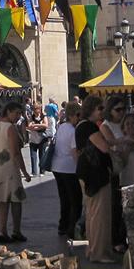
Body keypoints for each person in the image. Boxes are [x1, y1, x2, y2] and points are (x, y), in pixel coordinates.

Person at [0, 100, 30, 244]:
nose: (18, 116)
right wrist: (25, 172)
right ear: (8, 112)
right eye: (16, 113)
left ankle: (2, 231)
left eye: (20, 113)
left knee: (3, 199)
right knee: (16, 199)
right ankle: (16, 230)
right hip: (8, 165)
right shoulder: (10, 128)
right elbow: (15, 152)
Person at [75, 95, 116, 263]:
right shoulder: (88, 127)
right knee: (99, 216)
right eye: (99, 108)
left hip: (88, 174)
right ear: (91, 109)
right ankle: (100, 253)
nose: (102, 112)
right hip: (95, 175)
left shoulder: (83, 126)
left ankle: (93, 250)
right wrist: (118, 143)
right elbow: (104, 148)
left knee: (93, 215)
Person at [100, 96, 133, 252]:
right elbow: (111, 142)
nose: (121, 112)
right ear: (110, 110)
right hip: (116, 170)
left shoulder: (125, 123)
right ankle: (116, 240)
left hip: (130, 166)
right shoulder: (106, 126)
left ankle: (128, 237)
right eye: (118, 109)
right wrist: (128, 139)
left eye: (123, 109)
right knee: (117, 207)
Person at [51, 101, 82, 239]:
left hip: (57, 166)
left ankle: (62, 226)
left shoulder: (62, 126)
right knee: (75, 199)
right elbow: (74, 151)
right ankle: (72, 228)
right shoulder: (73, 131)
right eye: (78, 115)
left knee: (64, 199)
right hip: (69, 168)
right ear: (73, 115)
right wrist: (80, 168)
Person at [25, 103, 49, 176]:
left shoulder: (43, 116)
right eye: (34, 108)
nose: (35, 110)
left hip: (42, 139)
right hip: (33, 139)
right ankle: (34, 172)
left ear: (40, 109)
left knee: (41, 155)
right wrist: (40, 126)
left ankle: (42, 171)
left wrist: (35, 125)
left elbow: (46, 125)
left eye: (36, 108)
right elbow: (29, 126)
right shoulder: (31, 117)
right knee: (33, 156)